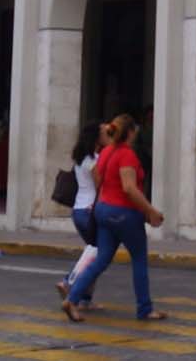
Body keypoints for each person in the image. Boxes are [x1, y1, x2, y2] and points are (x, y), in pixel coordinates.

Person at [63, 114, 166, 324]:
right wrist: (150, 211)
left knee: (100, 260)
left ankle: (72, 299)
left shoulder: (106, 152)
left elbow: (101, 183)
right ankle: (145, 309)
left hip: (104, 211)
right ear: (129, 132)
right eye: (134, 129)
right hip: (124, 214)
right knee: (139, 260)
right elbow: (129, 188)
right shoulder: (127, 155)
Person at [56, 122, 112, 304]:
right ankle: (69, 281)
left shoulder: (81, 158)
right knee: (95, 250)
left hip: (78, 211)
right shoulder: (94, 160)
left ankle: (86, 298)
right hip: (89, 210)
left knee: (94, 252)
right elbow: (100, 187)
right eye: (102, 133)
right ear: (96, 138)